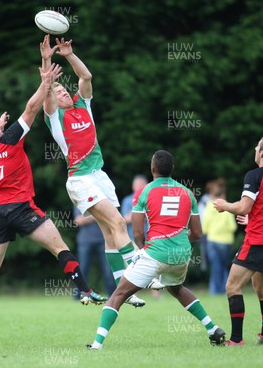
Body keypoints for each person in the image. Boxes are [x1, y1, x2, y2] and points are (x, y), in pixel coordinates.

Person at [0, 63, 108, 341]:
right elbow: (31, 109)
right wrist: (45, 83)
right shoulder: (8, 142)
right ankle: (86, 290)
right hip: (21, 207)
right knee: (59, 247)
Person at [40, 35, 161, 307]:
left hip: (99, 176)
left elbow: (86, 76)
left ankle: (122, 288)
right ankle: (142, 274)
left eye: (62, 90)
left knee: (110, 233)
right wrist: (47, 62)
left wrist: (69, 55)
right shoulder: (55, 117)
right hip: (80, 180)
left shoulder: (83, 105)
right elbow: (46, 95)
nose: (61, 94)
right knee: (119, 223)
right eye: (57, 93)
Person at [87, 150, 226, 350]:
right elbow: (196, 233)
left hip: (154, 252)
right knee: (177, 289)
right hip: (181, 254)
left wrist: (144, 251)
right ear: (173, 170)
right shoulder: (187, 193)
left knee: (118, 295)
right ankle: (212, 329)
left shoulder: (144, 191)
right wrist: (178, 241)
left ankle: (97, 345)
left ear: (152, 169)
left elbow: (136, 232)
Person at [214, 135, 263, 346]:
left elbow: (242, 207)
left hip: (257, 240)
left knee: (232, 286)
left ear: (262, 153)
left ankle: (236, 340)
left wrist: (224, 205)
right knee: (260, 286)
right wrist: (252, 218)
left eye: (257, 147)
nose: (255, 149)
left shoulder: (255, 175)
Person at [202, 180, 237, 295]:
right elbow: (233, 227)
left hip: (212, 241)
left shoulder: (208, 207)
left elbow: (205, 227)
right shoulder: (227, 207)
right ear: (223, 196)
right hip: (226, 241)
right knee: (224, 267)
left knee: (215, 267)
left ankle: (215, 291)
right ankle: (225, 289)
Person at [73, 206, 116, 297]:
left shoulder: (103, 200)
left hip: (104, 241)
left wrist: (89, 217)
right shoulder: (80, 201)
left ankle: (113, 297)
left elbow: (112, 217)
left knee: (108, 270)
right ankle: (77, 296)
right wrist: (97, 215)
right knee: (82, 270)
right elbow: (78, 221)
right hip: (85, 241)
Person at [121, 175, 149, 239]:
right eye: (138, 185)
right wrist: (144, 214)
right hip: (133, 238)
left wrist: (135, 214)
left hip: (150, 240)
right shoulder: (127, 200)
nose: (140, 187)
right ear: (133, 186)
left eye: (142, 184)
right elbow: (125, 219)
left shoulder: (151, 199)